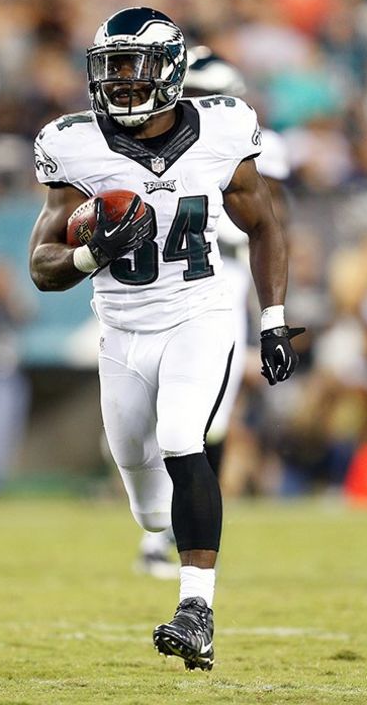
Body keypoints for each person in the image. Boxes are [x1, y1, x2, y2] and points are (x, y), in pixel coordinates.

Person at [26, 8, 303, 671]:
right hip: (121, 330)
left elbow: (264, 224)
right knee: (152, 509)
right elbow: (41, 264)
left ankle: (197, 610)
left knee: (185, 437)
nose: (119, 82)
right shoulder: (75, 145)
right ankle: (167, 543)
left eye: (132, 67)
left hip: (199, 314)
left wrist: (272, 318)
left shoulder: (223, 129)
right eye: (110, 68)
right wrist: (93, 255)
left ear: (170, 72)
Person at [129, 45, 297, 579]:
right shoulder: (139, 136)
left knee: (207, 421)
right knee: (160, 420)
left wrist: (270, 313)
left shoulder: (236, 135)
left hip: (219, 280)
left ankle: (187, 540)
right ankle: (163, 533)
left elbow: (270, 216)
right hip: (153, 283)